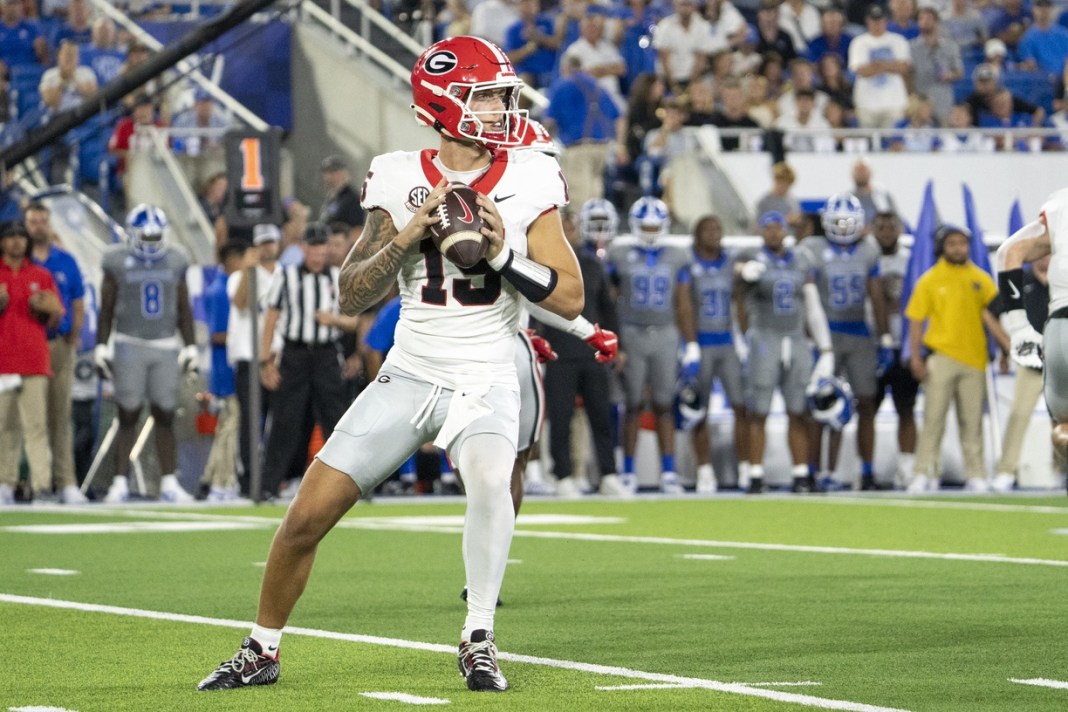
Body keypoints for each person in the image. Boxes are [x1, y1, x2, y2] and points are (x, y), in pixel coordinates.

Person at [197, 35, 584, 694]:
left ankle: (479, 637)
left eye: (499, 94)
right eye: (484, 95)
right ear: (443, 105)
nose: (499, 107)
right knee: (305, 517)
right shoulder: (398, 174)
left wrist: (498, 257)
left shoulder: (530, 173)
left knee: (492, 485)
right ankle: (262, 647)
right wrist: (405, 236)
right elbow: (350, 294)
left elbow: (570, 294)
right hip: (410, 370)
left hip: (487, 368)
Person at [95, 204, 198, 504]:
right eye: (147, 238)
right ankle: (119, 482)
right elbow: (107, 309)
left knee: (165, 413)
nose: (152, 244)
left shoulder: (176, 259)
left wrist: (190, 344)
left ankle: (169, 482)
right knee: (127, 413)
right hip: (130, 341)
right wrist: (102, 345)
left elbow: (183, 307)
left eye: (156, 238)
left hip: (165, 343)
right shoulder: (116, 260)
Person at [905, 225, 1009, 493]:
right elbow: (916, 321)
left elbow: (994, 315)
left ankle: (976, 473)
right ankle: (924, 471)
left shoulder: (980, 278)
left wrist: (1004, 350)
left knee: (972, 421)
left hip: (974, 359)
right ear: (942, 247)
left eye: (962, 243)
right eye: (952, 243)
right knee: (933, 420)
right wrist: (915, 356)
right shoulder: (929, 279)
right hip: (940, 357)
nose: (958, 248)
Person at [736, 211, 833, 493]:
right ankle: (755, 474)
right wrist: (743, 273)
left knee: (798, 410)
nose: (774, 233)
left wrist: (825, 347)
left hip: (795, 338)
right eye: (769, 228)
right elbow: (737, 295)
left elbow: (813, 306)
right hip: (765, 338)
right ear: (761, 231)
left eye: (779, 228)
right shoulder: (752, 258)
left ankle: (801, 473)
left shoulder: (802, 259)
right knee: (759, 411)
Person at [257, 223, 351, 501]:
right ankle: (269, 485)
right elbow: (271, 319)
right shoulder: (286, 277)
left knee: (337, 420)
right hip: (295, 353)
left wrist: (332, 319)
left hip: (325, 354)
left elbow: (354, 321)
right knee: (285, 419)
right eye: (313, 248)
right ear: (304, 248)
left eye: (322, 248)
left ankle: (348, 483)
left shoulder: (336, 276)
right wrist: (265, 361)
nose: (318, 254)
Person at [606, 196, 693, 494]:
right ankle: (627, 470)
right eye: (646, 226)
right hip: (631, 333)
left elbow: (683, 303)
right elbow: (610, 301)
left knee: (664, 404)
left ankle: (669, 471)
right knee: (631, 404)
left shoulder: (678, 256)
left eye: (656, 226)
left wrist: (690, 342)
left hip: (666, 332)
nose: (651, 231)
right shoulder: (619, 254)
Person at [803, 193, 890, 490]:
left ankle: (866, 471)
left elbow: (876, 296)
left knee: (866, 403)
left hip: (858, 333)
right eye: (837, 221)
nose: (842, 227)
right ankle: (814, 471)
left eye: (848, 222)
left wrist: (885, 337)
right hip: (825, 335)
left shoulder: (868, 250)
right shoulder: (812, 249)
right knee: (820, 405)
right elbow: (807, 299)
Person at [538, 201, 622, 497]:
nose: (568, 234)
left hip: (591, 352)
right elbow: (538, 309)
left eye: (570, 228)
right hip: (559, 352)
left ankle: (608, 474)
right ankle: (563, 476)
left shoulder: (591, 264)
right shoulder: (544, 265)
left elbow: (607, 309)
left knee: (601, 416)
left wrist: (616, 342)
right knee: (560, 418)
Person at [994, 187, 1067, 489]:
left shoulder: (1062, 203)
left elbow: (1008, 253)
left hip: (1060, 329)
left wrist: (1019, 326)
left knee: (1063, 428)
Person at [25, 201, 86, 504]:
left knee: (60, 415)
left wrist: (72, 335)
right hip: (25, 347)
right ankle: (32, 481)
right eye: (33, 221)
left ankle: (66, 482)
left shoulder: (65, 261)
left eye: (43, 220)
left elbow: (77, 302)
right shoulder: (17, 264)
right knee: (27, 418)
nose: (38, 226)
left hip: (57, 343)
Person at [0, 220, 65, 505]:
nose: (16, 242)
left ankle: (41, 485)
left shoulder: (41, 274)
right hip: (3, 360)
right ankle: (5, 483)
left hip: (34, 359)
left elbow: (55, 318)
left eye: (20, 237)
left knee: (36, 426)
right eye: (10, 237)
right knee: (4, 425)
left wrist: (52, 312)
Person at [682, 214, 748, 493]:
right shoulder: (689, 264)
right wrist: (690, 343)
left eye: (718, 228)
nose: (714, 234)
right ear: (697, 234)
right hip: (704, 342)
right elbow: (684, 306)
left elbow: (739, 301)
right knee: (699, 411)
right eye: (708, 229)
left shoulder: (731, 262)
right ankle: (704, 470)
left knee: (741, 406)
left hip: (727, 341)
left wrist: (743, 338)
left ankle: (745, 467)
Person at [227, 223, 281, 495]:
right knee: (250, 423)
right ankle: (249, 480)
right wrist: (249, 269)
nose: (267, 247)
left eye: (271, 242)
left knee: (280, 422)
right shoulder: (240, 276)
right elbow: (240, 303)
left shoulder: (285, 275)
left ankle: (272, 479)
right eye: (262, 243)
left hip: (276, 356)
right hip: (249, 357)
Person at [991, 254, 1050, 492]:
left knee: (1063, 421)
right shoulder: (1021, 280)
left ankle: (1060, 471)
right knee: (1018, 415)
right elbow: (990, 311)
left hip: (1061, 362)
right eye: (1040, 253)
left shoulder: (1062, 279)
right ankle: (1006, 471)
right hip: (1031, 362)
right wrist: (1007, 345)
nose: (1043, 258)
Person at [871, 211, 920, 488]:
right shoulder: (868, 259)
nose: (887, 232)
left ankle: (907, 468)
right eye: (881, 227)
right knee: (867, 409)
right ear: (873, 229)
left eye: (891, 227)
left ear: (900, 230)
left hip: (903, 345)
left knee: (906, 409)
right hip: (874, 345)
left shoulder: (910, 262)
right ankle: (867, 468)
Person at [199, 241, 246, 501]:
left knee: (226, 427)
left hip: (226, 368)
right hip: (225, 370)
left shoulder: (224, 287)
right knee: (230, 425)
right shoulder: (220, 291)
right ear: (232, 260)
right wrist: (244, 338)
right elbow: (217, 334)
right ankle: (223, 481)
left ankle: (210, 479)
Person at [848, 4, 911, 129]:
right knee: (869, 142)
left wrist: (877, 65)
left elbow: (904, 68)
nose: (877, 24)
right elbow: (861, 71)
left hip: (894, 103)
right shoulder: (859, 42)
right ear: (867, 21)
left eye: (880, 20)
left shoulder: (898, 41)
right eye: (873, 20)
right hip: (866, 104)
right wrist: (890, 66)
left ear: (885, 20)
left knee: (893, 143)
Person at [910, 7, 963, 126]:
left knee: (944, 136)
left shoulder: (950, 46)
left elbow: (959, 72)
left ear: (936, 21)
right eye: (921, 18)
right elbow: (908, 74)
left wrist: (950, 75)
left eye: (929, 18)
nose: (925, 21)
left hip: (943, 101)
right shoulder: (911, 47)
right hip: (921, 102)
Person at [318, 155, 365, 234]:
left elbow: (357, 229)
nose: (328, 176)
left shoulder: (352, 198)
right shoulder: (331, 198)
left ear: (343, 173)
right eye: (326, 172)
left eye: (332, 172)